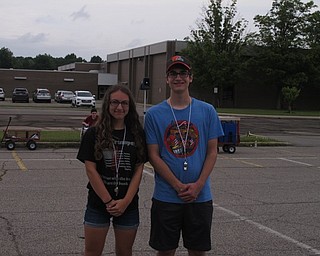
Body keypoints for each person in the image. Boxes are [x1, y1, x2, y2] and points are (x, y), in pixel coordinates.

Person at [144, 55, 224, 256]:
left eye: (183, 73)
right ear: (167, 79)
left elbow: (212, 152)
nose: (178, 77)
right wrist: (177, 185)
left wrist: (198, 186)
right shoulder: (154, 114)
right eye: (173, 73)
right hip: (166, 197)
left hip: (200, 197)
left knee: (197, 251)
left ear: (191, 78)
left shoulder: (207, 111)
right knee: (165, 251)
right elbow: (154, 155)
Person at [77, 84, 147, 256]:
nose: (119, 107)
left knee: (124, 251)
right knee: (92, 251)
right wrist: (108, 201)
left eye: (124, 103)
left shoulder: (137, 133)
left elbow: (139, 169)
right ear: (107, 104)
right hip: (98, 204)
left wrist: (125, 201)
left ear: (129, 107)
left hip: (128, 205)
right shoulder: (93, 133)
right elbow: (91, 170)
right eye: (115, 102)